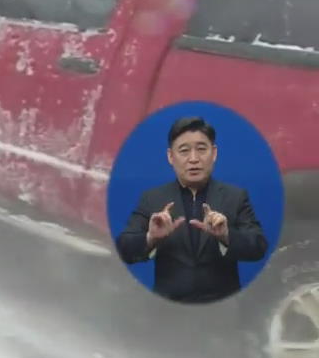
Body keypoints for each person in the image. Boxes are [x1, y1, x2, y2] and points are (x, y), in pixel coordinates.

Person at [115, 116, 269, 303]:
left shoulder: (235, 197)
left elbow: (259, 246)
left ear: (214, 153)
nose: (194, 159)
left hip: (223, 309)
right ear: (171, 157)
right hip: (167, 310)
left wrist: (226, 235)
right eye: (184, 151)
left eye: (201, 149)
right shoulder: (152, 199)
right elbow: (123, 249)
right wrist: (151, 238)